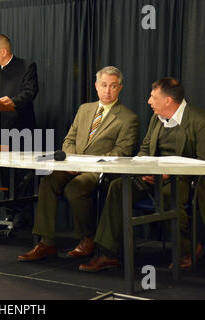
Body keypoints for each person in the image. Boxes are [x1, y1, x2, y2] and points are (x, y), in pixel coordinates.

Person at [80, 77, 205, 272]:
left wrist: (167, 175)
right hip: (152, 176)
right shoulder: (156, 119)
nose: (148, 101)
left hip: (183, 179)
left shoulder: (201, 121)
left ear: (168, 101)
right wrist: (143, 170)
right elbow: (145, 150)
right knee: (117, 188)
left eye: (152, 97)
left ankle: (188, 248)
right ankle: (107, 254)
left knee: (166, 196)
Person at [18, 66, 139, 262]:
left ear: (120, 88)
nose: (108, 90)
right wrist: (72, 161)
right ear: (96, 86)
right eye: (104, 85)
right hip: (72, 164)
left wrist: (86, 165)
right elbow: (69, 140)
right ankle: (45, 242)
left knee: (75, 188)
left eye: (113, 86)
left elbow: (122, 152)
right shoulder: (85, 109)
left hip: (99, 171)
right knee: (47, 179)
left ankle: (87, 239)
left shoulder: (128, 118)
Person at [0, 34, 39, 227]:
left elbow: (30, 92)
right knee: (4, 175)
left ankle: (23, 216)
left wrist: (13, 101)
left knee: (21, 177)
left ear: (3, 52)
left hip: (21, 131)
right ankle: (9, 213)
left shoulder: (27, 66)